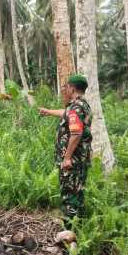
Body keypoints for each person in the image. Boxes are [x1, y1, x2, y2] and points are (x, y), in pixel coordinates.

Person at [39, 74, 93, 225]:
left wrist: (67, 157)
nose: (66, 90)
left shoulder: (75, 108)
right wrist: (48, 112)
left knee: (69, 195)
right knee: (78, 192)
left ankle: (70, 231)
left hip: (72, 161)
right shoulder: (83, 106)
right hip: (81, 158)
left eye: (67, 87)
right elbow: (66, 114)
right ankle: (79, 226)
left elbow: (76, 133)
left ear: (72, 88)